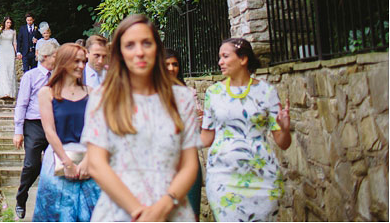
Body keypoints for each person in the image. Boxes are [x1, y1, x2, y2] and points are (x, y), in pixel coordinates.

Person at [78, 14, 200, 222]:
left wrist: (162, 207)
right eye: (130, 45)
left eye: (146, 43)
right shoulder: (103, 98)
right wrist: (138, 212)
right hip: (119, 211)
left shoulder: (182, 98)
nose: (140, 52)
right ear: (120, 53)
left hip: (172, 210)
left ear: (157, 49)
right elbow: (97, 163)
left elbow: (189, 164)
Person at [201, 38, 291, 222]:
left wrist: (285, 129)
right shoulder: (213, 94)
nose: (220, 62)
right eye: (220, 57)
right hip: (223, 178)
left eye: (225, 56)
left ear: (243, 59)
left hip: (262, 177)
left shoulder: (267, 92)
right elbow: (205, 139)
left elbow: (283, 143)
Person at [33, 43, 102, 222]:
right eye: (76, 61)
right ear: (63, 62)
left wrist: (88, 161)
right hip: (58, 158)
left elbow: (98, 130)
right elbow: (49, 130)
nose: (81, 66)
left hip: (89, 161)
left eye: (83, 61)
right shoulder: (46, 93)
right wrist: (67, 163)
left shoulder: (92, 93)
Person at [13, 39, 60, 219]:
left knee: (55, 166)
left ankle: (52, 205)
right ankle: (21, 198)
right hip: (33, 124)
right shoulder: (30, 76)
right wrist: (18, 131)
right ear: (46, 57)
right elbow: (21, 103)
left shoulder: (58, 77)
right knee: (32, 164)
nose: (58, 59)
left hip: (54, 125)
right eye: (56, 56)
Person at [163, 48, 203, 221]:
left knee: (192, 214)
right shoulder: (150, 94)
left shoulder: (188, 93)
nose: (172, 68)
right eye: (167, 64)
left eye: (175, 64)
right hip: (164, 163)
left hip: (188, 160)